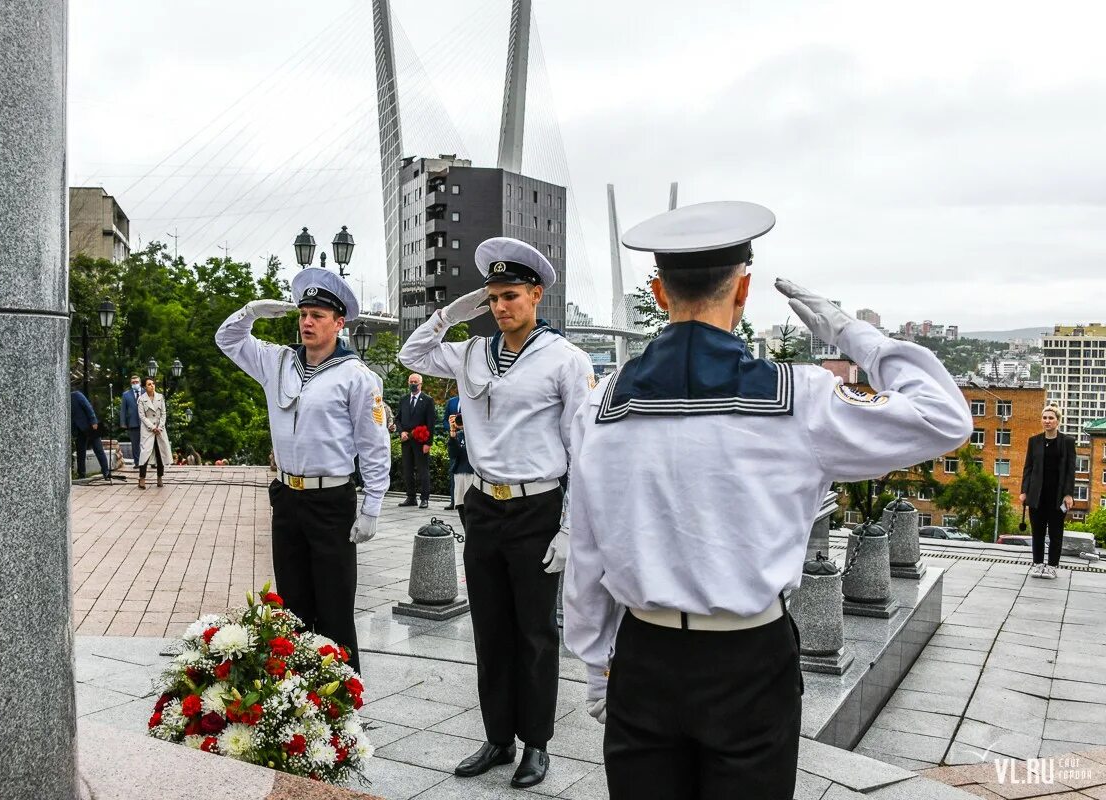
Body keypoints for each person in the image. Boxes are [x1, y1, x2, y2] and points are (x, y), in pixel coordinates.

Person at [562, 201, 974, 800]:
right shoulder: (797, 398)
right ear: (744, 288)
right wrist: (848, 332)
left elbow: (588, 550)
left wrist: (597, 665)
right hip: (748, 657)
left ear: (657, 292)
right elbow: (943, 414)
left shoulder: (599, 406)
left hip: (644, 654)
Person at [399, 237, 596, 789]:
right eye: (493, 298)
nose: (500, 307)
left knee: (534, 632)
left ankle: (537, 742)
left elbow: (581, 450)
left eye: (511, 295)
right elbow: (411, 355)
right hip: (484, 505)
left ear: (536, 295)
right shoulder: (470, 352)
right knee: (489, 628)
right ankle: (498, 737)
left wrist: (570, 528)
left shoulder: (565, 360)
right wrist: (455, 311)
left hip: (537, 507)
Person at [215, 269, 389, 674]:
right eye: (303, 313)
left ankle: (344, 707)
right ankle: (300, 705)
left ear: (339, 322)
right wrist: (250, 312)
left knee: (334, 609)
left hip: (331, 501)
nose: (307, 322)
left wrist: (373, 506)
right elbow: (227, 339)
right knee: (292, 610)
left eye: (318, 315)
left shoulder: (358, 377)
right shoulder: (277, 362)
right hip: (288, 497)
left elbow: (374, 445)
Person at [1020, 405, 1076, 579]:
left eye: (1051, 418)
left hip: (1057, 496)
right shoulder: (1034, 441)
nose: (1047, 421)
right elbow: (1028, 468)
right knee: (1037, 532)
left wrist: (1068, 494)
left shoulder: (1067, 442)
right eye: (1045, 418)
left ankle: (1051, 567)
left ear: (1058, 421)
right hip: (1037, 495)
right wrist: (1024, 491)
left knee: (1055, 533)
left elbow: (1070, 470)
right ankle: (1037, 565)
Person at [396, 373, 437, 508]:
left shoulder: (427, 400)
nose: (413, 384)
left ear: (420, 384)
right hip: (406, 440)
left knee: (422, 470)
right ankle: (411, 497)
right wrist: (401, 431)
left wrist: (428, 443)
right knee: (407, 469)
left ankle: (424, 498)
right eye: (411, 381)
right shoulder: (403, 399)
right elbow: (398, 418)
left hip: (421, 440)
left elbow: (431, 423)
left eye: (415, 382)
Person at [137, 378, 172, 489]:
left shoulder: (160, 397)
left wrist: (160, 427)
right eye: (149, 384)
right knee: (145, 454)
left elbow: (164, 413)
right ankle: (142, 479)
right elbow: (142, 416)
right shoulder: (141, 399)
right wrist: (152, 427)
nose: (152, 386)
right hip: (148, 430)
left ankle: (159, 478)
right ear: (144, 387)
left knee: (160, 453)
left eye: (153, 383)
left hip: (160, 429)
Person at [71, 389, 111, 482]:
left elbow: (88, 407)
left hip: (90, 427)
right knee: (81, 454)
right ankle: (82, 475)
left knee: (98, 450)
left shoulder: (76, 395)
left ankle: (106, 472)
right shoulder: (63, 400)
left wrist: (93, 421)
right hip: (78, 431)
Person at [448, 413, 474, 530]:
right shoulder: (458, 435)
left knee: (473, 506)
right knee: (461, 505)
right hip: (459, 473)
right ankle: (466, 533)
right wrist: (452, 433)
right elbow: (453, 454)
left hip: (473, 474)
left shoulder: (476, 434)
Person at [119, 375, 143, 466]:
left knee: (147, 444)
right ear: (131, 383)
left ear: (140, 382)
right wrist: (123, 422)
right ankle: (137, 463)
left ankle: (149, 462)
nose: (135, 384)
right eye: (133, 382)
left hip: (146, 423)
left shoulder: (145, 392)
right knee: (135, 444)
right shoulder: (126, 395)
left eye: (136, 382)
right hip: (132, 423)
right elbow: (123, 410)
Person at [443, 394, 462, 509]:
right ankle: (453, 500)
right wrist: (452, 426)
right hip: (454, 437)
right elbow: (445, 420)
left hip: (469, 438)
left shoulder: (472, 400)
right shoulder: (452, 401)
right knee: (453, 469)